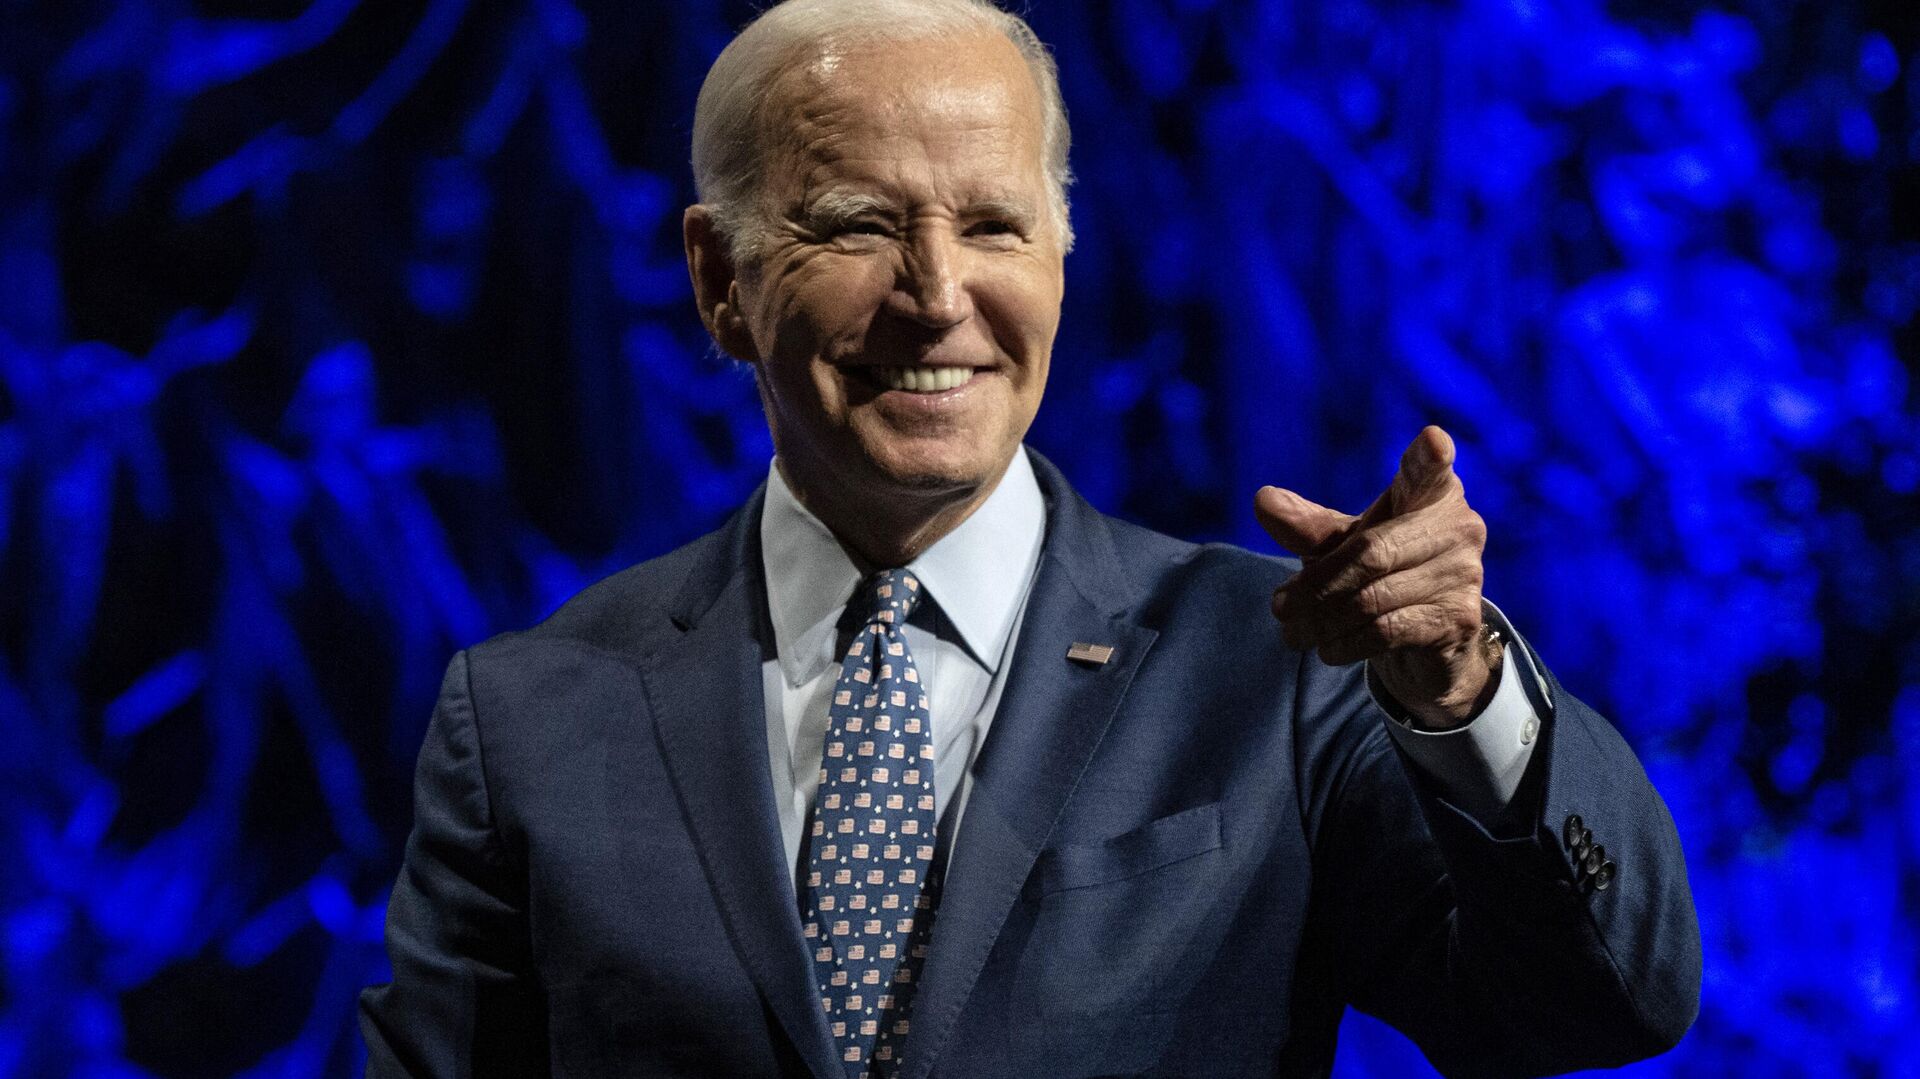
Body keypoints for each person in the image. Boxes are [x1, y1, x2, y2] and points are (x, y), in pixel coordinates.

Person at [358, 1, 1702, 1076]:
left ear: (1062, 252)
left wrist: (1465, 696)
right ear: (721, 280)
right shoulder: (530, 720)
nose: (938, 297)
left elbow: (1595, 1009)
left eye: (993, 224)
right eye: (859, 226)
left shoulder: (1281, 670)